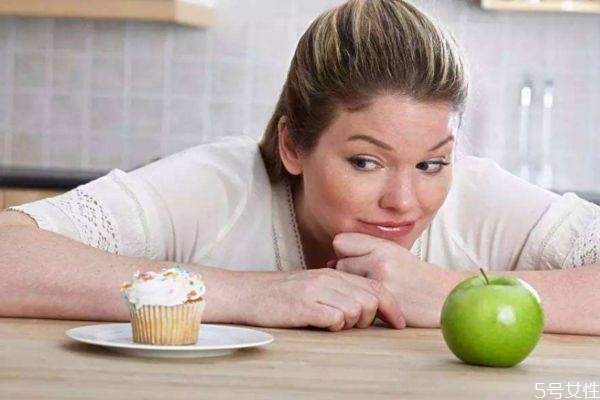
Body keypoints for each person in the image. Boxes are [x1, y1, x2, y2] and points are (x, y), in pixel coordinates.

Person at [1, 0, 599, 335]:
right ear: (293, 145)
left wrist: (448, 294)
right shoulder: (220, 186)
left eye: (431, 162)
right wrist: (251, 295)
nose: (405, 200)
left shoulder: (478, 197)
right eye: (365, 161)